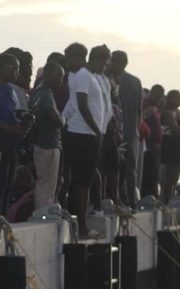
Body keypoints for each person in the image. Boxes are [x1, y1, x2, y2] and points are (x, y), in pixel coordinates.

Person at [62, 43, 112, 238]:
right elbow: (82, 105)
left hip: (88, 135)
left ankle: (81, 223)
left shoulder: (92, 77)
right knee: (81, 182)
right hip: (82, 134)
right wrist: (96, 130)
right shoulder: (83, 75)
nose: (105, 67)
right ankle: (82, 226)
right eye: (105, 62)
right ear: (96, 59)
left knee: (85, 180)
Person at [0, 53, 29, 215]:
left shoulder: (10, 90)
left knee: (8, 186)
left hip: (11, 144)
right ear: (4, 69)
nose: (17, 73)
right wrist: (12, 129)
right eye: (15, 69)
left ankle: (3, 218)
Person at [109, 50, 143, 207]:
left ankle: (121, 199)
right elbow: (140, 109)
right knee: (130, 169)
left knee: (119, 169)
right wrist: (135, 129)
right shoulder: (135, 81)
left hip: (119, 132)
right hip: (131, 131)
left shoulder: (112, 81)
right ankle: (131, 200)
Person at [30, 62, 64, 209]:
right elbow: (57, 120)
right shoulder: (44, 94)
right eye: (59, 76)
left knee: (49, 183)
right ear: (48, 73)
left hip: (46, 142)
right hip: (47, 144)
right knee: (46, 184)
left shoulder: (42, 92)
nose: (61, 80)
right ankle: (43, 213)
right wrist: (64, 118)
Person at [160, 90, 180, 203]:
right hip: (171, 149)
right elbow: (176, 130)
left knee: (175, 178)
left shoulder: (178, 113)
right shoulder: (168, 113)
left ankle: (171, 197)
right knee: (169, 178)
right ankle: (167, 200)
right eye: (178, 98)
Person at [141, 84, 164, 198]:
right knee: (150, 173)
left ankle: (154, 196)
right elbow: (141, 117)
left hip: (156, 146)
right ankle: (149, 196)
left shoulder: (156, 107)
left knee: (156, 175)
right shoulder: (146, 104)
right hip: (148, 145)